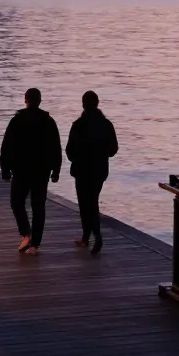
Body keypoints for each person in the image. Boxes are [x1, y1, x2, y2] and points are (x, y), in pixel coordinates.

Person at [0, 88, 62, 255]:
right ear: (39, 101)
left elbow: (7, 146)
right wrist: (56, 170)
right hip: (41, 170)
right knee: (38, 205)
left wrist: (5, 168)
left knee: (16, 202)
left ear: (25, 100)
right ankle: (35, 244)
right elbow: (55, 147)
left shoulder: (17, 121)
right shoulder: (48, 121)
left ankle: (26, 232)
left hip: (21, 169)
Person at [66, 91, 119, 255]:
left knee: (85, 204)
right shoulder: (106, 125)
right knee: (92, 200)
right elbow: (113, 149)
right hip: (99, 170)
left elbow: (69, 151)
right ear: (97, 103)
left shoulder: (78, 125)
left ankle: (93, 235)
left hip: (81, 170)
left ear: (83, 104)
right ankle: (89, 236)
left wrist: (77, 158)